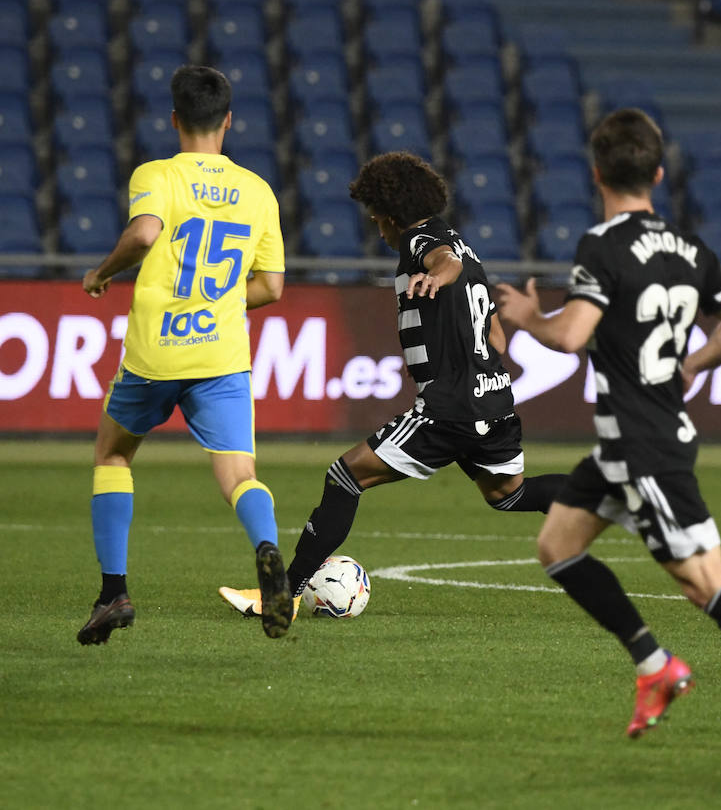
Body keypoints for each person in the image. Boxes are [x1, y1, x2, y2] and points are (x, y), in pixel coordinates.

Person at [495, 109, 721, 775]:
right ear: (657, 174)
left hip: (643, 446)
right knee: (557, 545)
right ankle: (655, 666)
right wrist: (690, 365)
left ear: (596, 174)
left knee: (704, 581)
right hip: (628, 442)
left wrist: (525, 317)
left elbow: (571, 337)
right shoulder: (690, 249)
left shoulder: (601, 244)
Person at [218, 151, 566, 619]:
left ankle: (283, 595)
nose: (375, 226)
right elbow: (494, 333)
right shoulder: (463, 242)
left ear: (388, 213)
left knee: (345, 476)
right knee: (510, 494)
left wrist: (433, 279)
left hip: (450, 408)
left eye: (374, 216)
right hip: (495, 403)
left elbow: (445, 264)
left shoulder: (423, 241)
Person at [76, 65, 293, 645]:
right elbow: (271, 288)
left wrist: (101, 272)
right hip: (221, 355)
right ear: (228, 120)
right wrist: (218, 299)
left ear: (174, 120)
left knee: (113, 455)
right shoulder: (257, 191)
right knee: (239, 474)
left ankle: (113, 592)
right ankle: (268, 551)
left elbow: (145, 235)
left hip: (155, 351)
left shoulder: (157, 174)